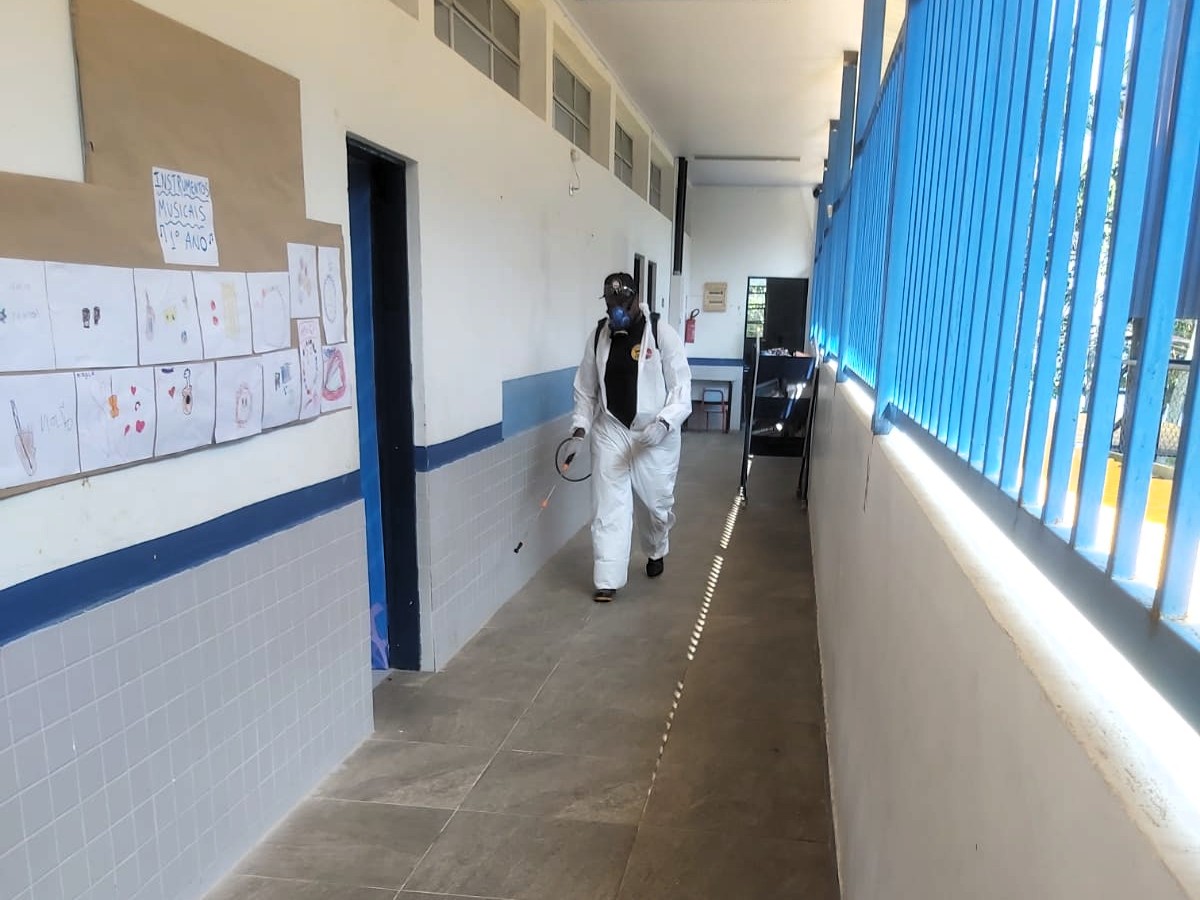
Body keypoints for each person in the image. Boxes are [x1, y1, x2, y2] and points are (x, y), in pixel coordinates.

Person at [570, 272, 692, 602]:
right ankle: (607, 579)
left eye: (622, 303)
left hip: (654, 434)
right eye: (611, 304)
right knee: (608, 506)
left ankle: (656, 548)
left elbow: (681, 388)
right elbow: (586, 388)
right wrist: (580, 426)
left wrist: (664, 423)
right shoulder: (599, 336)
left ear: (636, 299)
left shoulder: (662, 333)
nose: (617, 311)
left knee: (655, 505)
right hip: (612, 429)